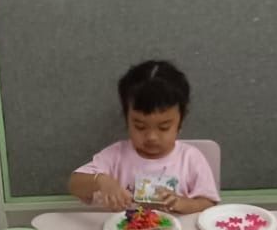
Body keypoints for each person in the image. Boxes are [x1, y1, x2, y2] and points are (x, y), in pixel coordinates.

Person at [69, 59, 218, 213]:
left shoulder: (190, 158)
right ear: (127, 119)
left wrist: (182, 203)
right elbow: (74, 184)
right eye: (140, 126)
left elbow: (208, 203)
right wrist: (101, 181)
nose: (151, 137)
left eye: (164, 127)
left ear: (180, 122)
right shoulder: (116, 156)